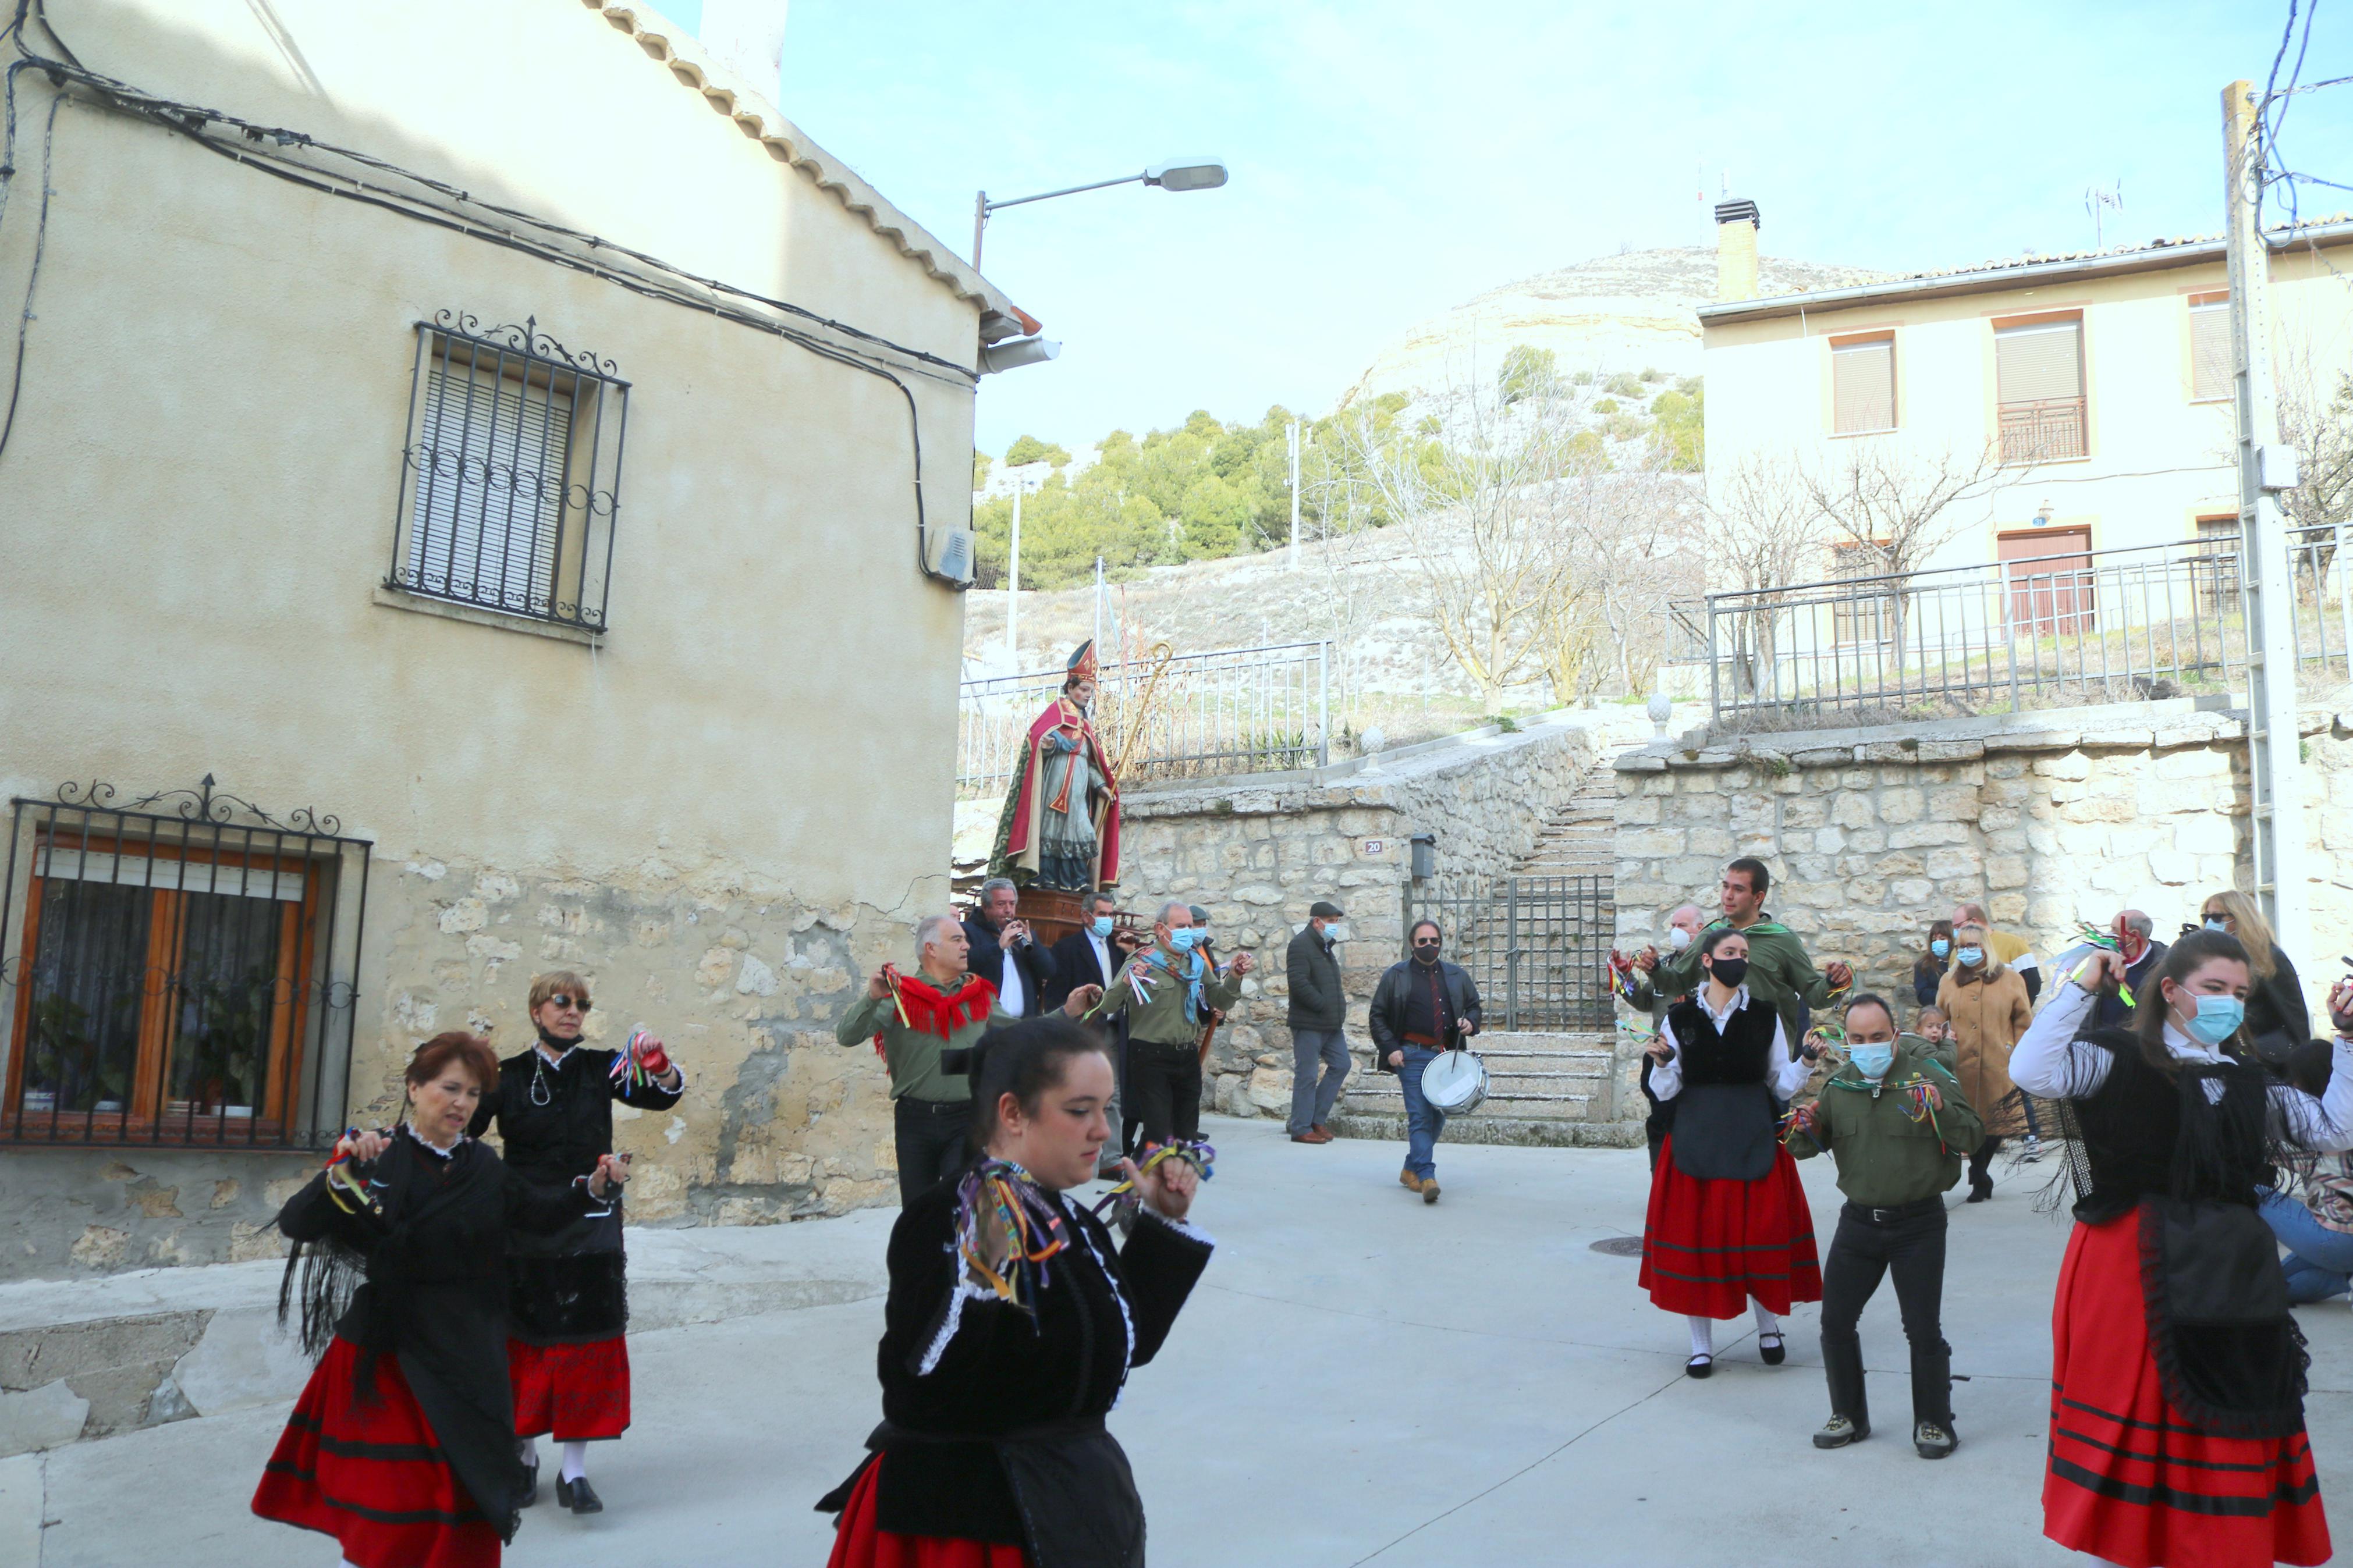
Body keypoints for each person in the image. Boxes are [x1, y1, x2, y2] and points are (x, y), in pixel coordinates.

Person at [815, 1017, 1212, 1568]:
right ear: (1012, 1112)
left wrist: (1162, 1225)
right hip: (973, 1523)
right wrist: (982, 1277)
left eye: (1105, 1108)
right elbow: (916, 1391)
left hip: (1071, 1498)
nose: (1102, 1130)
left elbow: (1118, 1347)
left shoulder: (1069, 1216)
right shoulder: (945, 1217)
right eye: (1080, 1110)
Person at [2012, 931, 2353, 1568]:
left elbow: (2336, 1128)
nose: (2227, 1002)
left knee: (2228, 1401)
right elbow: (2032, 1072)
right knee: (2139, 1407)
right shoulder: (2113, 1057)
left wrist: (2350, 1040)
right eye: (2212, 988)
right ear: (2169, 990)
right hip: (2128, 1264)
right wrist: (2081, 989)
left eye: (2239, 993)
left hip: (2228, 1268)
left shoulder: (2248, 1081)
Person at [253, 1032, 630, 1568]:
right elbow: (298, 1222)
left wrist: (592, 1188)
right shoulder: (378, 1154)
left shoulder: (485, 1166)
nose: (461, 1103)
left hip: (465, 1352)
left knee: (455, 1496)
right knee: (389, 1500)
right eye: (450, 1087)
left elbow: (539, 1217)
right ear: (414, 1087)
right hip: (388, 1354)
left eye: (474, 1094)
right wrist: (347, 1170)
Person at [464, 972, 684, 1514]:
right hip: (522, 1219)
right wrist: (469, 1077)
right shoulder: (509, 1075)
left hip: (591, 1213)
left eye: (582, 1004)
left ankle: (575, 1471)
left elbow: (662, 1098)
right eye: (562, 1002)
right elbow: (463, 1131)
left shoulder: (601, 1066)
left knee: (588, 1339)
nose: (573, 1012)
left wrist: (659, 1064)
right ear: (537, 1010)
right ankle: (524, 1457)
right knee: (527, 1337)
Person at [1784, 994, 1982, 1459]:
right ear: (1846, 1042)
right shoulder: (1840, 1087)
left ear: (1894, 1036)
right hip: (1858, 1223)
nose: (1868, 1046)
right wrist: (1803, 1125)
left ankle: (1934, 1422)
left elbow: (1972, 1136)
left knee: (1921, 1328)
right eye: (1858, 1039)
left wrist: (1941, 1109)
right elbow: (1803, 1147)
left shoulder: (1927, 1077)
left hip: (1918, 1224)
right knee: (1834, 1320)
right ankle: (1848, 1414)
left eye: (1877, 1037)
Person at [1638, 926, 1822, 1375]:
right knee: (1698, 1241)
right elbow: (1665, 1090)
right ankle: (1700, 1345)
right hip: (1695, 1137)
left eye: (1743, 952)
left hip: (1752, 1133)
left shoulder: (1764, 1015)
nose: (1738, 958)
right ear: (1707, 959)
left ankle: (1768, 1328)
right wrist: (1661, 1064)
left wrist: (1807, 1062)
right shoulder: (1679, 1018)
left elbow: (1778, 1082)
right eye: (1729, 951)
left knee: (1758, 1236)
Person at [840, 913, 1101, 1204]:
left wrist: (1068, 1011)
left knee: (963, 1208)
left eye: (965, 939)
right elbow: (847, 1036)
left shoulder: (978, 993)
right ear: (931, 949)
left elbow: (1019, 1033)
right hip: (915, 1121)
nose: (967, 945)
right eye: (957, 940)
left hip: (966, 1119)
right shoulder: (900, 994)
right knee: (918, 1213)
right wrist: (872, 998)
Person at [1085, 901, 1250, 1150]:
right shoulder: (1142, 961)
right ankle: (1145, 1181)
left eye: (1190, 926)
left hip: (1186, 1055)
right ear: (1161, 929)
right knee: (1158, 1132)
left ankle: (1175, 1179)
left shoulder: (1194, 963)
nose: (1188, 931)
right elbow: (1108, 1006)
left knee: (1186, 1132)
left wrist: (1235, 976)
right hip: (1151, 1056)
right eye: (1181, 926)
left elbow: (1220, 1000)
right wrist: (1128, 982)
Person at [1637, 858, 1852, 1047]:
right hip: (1715, 1054)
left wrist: (1833, 983)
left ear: (1758, 897)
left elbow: (1814, 995)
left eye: (1738, 890)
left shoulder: (1782, 940)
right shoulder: (1711, 935)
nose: (1728, 896)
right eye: (1725, 887)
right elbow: (1677, 982)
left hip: (1767, 1057)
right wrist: (1655, 969)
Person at [989, 640, 1122, 892]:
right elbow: (1036, 739)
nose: (1087, 696)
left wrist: (1102, 786)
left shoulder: (1086, 725)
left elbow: (1091, 761)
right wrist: (1048, 744)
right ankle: (1046, 877)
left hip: (1078, 791)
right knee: (1051, 828)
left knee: (1081, 828)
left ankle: (1077, 880)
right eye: (1083, 690)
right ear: (1071, 688)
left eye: (1091, 692)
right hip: (1054, 784)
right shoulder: (1056, 713)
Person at [1369, 919, 1483, 1204]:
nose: (1429, 946)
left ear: (1440, 943)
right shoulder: (1396, 975)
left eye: (1434, 941)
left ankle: (1410, 1168)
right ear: (1412, 944)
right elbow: (1378, 1016)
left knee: (1437, 1116)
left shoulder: (1456, 975)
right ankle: (1427, 1176)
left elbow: (1474, 1006)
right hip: (1410, 1054)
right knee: (1420, 1114)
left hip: (1446, 1056)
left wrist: (1470, 1022)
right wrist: (1390, 1048)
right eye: (1423, 941)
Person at [1936, 921, 2037, 1201]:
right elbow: (1939, 1017)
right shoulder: (1949, 980)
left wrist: (2017, 1051)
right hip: (1961, 1062)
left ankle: (1980, 1172)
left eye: (1973, 945)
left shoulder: (2011, 979)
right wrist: (1944, 1038)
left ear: (1985, 948)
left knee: (1997, 1124)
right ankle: (1980, 1176)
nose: (1967, 951)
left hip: (1999, 1060)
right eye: (1962, 946)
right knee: (1971, 1123)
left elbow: (2023, 1019)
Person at [2259, 1035, 2353, 1304]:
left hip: (2337, 1239)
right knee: (2278, 1284)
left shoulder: (2316, 1132)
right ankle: (2345, 1278)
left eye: (2295, 1078)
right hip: (2341, 1239)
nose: (2292, 1085)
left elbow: (2257, 1149)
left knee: (2253, 1191)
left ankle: (2343, 1276)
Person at [1624, 904, 1705, 1168]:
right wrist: (1624, 978)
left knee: (1692, 1119)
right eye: (1672, 926)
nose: (1675, 931)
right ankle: (1660, 1180)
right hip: (1661, 1052)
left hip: (1694, 1053)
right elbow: (1646, 1001)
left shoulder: (1706, 967)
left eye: (1682, 926)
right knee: (1658, 1119)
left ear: (1699, 930)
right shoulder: (1665, 965)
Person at [2199, 888, 2311, 1064]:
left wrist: (2302, 1063)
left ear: (2241, 918)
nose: (2210, 924)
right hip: (2222, 1053)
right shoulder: (2210, 958)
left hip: (2264, 1056)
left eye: (2217, 917)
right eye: (2206, 918)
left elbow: (2293, 1014)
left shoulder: (2268, 957)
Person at [1286, 901, 1351, 1145]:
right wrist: (1323, 1005)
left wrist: (1337, 1009)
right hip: (1310, 1023)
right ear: (1317, 922)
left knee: (1342, 1064)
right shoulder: (1300, 945)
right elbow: (1299, 983)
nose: (1335, 926)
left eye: (1336, 921)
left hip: (1330, 1024)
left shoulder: (1324, 946)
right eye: (1331, 921)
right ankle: (1301, 1127)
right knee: (1307, 1075)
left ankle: (1316, 1118)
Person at [965, 877, 1056, 1021]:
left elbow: (1049, 971)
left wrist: (1033, 946)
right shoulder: (967, 931)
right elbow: (965, 964)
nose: (1008, 910)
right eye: (1001, 904)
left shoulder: (1025, 934)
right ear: (985, 907)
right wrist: (998, 947)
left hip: (1022, 1024)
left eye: (1012, 904)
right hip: (985, 1023)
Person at [2091, 909, 2168, 1031]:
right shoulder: (2104, 959)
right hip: (2096, 1044)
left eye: (2115, 930)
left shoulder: (2164, 969)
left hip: (2134, 1046)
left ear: (2133, 935)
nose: (2109, 934)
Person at [1952, 901, 2040, 1003]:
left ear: (1974, 921)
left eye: (1958, 926)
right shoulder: (1956, 952)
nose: (1956, 931)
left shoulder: (2014, 944)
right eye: (1954, 928)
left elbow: (2033, 983)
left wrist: (2015, 1013)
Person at [1913, 920, 1953, 1007]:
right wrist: (1948, 995)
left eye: (1942, 939)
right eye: (1934, 940)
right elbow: (1923, 995)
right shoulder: (1924, 965)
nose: (1938, 943)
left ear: (1952, 939)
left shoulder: (1961, 961)